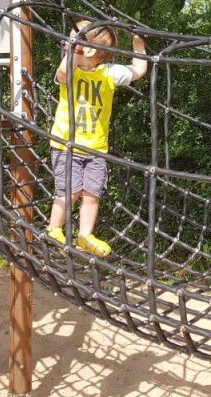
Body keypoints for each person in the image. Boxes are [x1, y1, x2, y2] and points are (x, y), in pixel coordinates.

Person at [47, 21, 148, 256]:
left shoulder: (109, 73)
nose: (66, 44)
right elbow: (62, 73)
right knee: (69, 192)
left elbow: (139, 71)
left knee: (92, 194)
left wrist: (138, 44)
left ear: (89, 50)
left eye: (73, 40)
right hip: (66, 145)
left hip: (96, 149)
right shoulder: (70, 71)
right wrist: (74, 48)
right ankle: (53, 228)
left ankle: (85, 235)